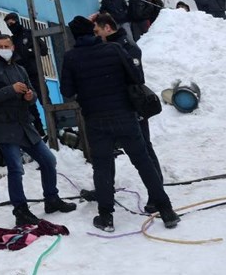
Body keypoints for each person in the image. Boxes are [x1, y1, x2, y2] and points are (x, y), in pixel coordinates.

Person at [59, 16, 179, 233]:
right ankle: (167, 210)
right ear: (93, 32)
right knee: (143, 161)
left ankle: (106, 217)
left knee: (103, 166)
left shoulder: (71, 58)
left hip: (96, 119)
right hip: (124, 115)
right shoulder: (114, 49)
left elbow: (66, 92)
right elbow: (135, 77)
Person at [0, 35, 77, 226]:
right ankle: (21, 210)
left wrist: (29, 96)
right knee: (16, 169)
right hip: (4, 126)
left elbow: (33, 94)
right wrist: (11, 89)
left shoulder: (20, 69)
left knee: (48, 160)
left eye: (6, 46)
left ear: (13, 46)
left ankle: (51, 198)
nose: (3, 49)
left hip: (25, 124)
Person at [93, 13, 165, 213]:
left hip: (130, 106)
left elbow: (135, 79)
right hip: (111, 108)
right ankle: (104, 190)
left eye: (97, 31)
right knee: (106, 152)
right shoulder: (104, 48)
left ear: (108, 28)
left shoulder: (128, 47)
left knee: (144, 149)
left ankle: (156, 194)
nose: (96, 35)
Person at [3, 12, 45, 135]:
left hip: (35, 73)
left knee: (45, 100)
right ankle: (40, 131)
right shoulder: (12, 40)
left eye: (12, 23)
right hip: (22, 77)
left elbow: (43, 50)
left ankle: (56, 129)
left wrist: (29, 53)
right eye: (8, 24)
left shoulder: (30, 34)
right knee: (30, 104)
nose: (11, 25)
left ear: (17, 20)